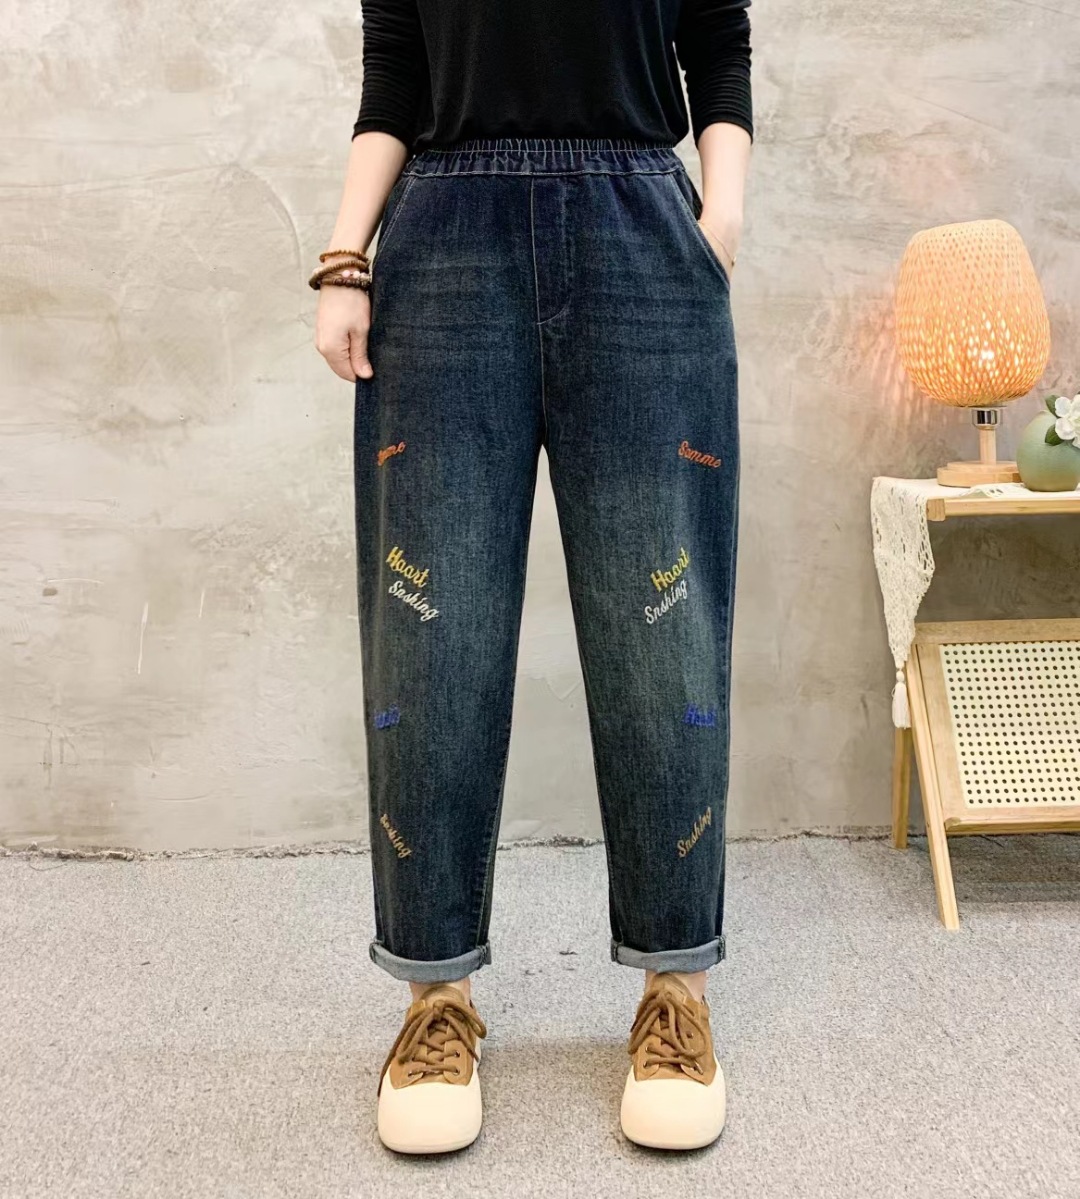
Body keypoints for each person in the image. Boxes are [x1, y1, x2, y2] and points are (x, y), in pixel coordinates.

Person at [313, 0, 753, 1156]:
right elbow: (396, 69)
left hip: (641, 234)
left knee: (662, 629)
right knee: (431, 631)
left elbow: (717, 42)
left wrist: (719, 218)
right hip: (444, 241)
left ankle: (676, 992)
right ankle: (436, 998)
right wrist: (345, 257)